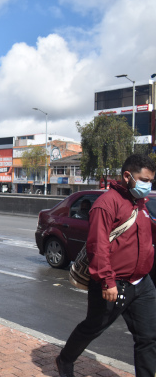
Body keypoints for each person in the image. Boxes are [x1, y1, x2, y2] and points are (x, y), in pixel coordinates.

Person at [56, 154, 156, 377]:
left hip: (142, 283)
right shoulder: (106, 204)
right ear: (128, 176)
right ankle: (65, 359)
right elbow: (97, 246)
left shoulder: (140, 203)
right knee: (93, 327)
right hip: (113, 284)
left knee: (148, 337)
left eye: (151, 181)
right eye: (145, 180)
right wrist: (107, 281)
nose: (148, 186)